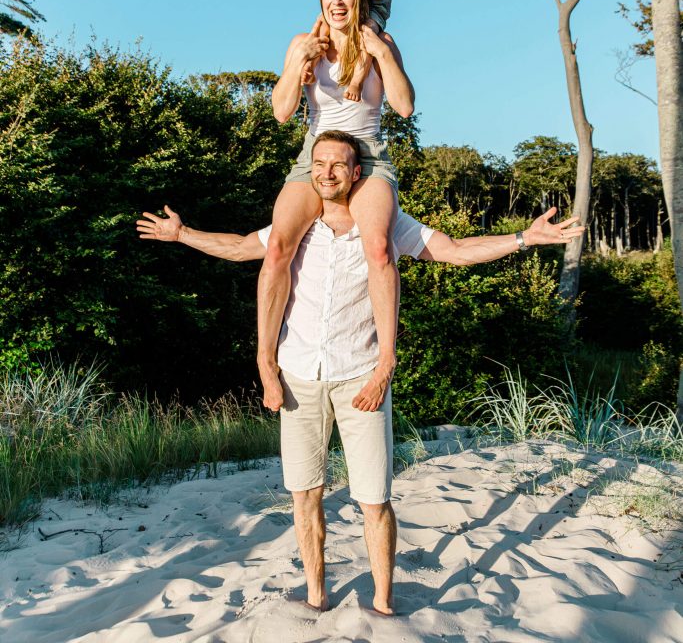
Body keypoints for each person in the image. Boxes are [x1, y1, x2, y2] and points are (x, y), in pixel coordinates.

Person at [137, 130, 584, 617]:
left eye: (338, 165)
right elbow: (244, 246)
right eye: (319, 163)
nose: (327, 172)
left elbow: (455, 249)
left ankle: (384, 604)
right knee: (305, 494)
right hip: (298, 377)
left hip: (361, 379)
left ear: (356, 173)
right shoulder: (296, 224)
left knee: (374, 498)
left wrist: (525, 237)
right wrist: (181, 234)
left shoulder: (388, 224)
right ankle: (315, 595)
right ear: (311, 169)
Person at [258, 0, 414, 420]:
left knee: (380, 249)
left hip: (369, 158)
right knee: (277, 249)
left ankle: (385, 360)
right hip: (317, 156)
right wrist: (299, 61)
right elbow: (282, 113)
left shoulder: (379, 44)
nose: (338, 1)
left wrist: (381, 55)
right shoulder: (303, 43)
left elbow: (404, 106)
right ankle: (267, 360)